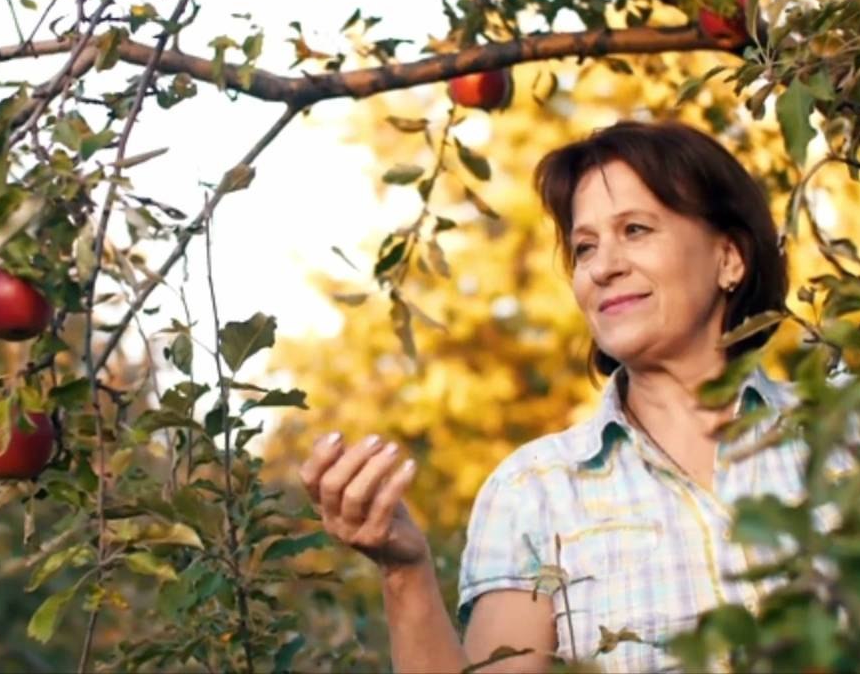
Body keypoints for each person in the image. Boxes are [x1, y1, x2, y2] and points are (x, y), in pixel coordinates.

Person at [298, 120, 811, 673]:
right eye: (584, 247)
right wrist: (405, 572)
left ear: (729, 257)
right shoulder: (533, 491)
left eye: (635, 229)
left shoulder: (855, 431)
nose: (603, 267)